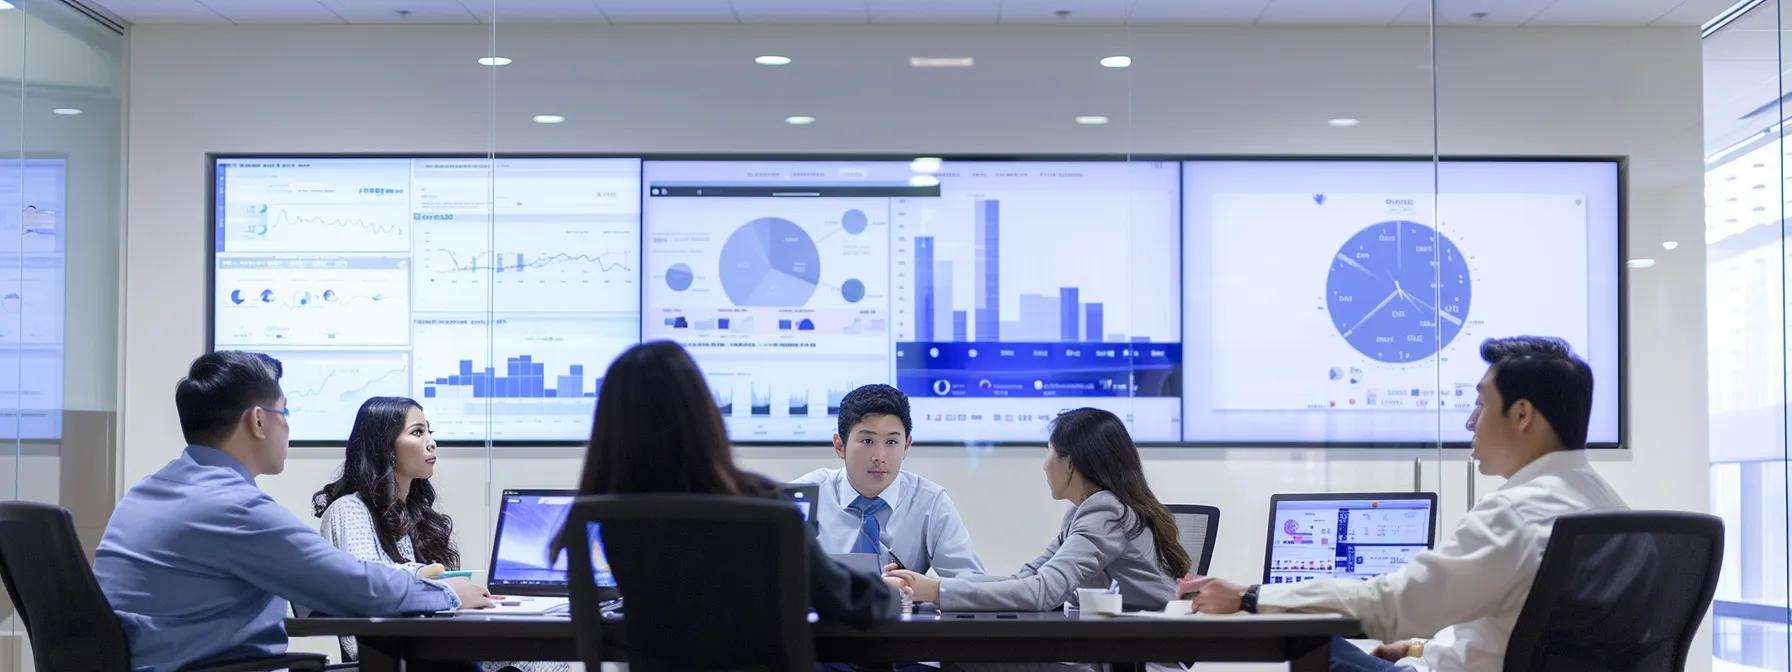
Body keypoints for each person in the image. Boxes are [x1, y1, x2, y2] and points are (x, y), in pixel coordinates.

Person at [1179, 336, 1628, 672]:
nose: (1471, 422)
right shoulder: (1608, 507)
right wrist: (1419, 649)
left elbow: (1389, 605)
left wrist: (1250, 596)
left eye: (1480, 404)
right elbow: (1512, 629)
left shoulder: (1515, 516)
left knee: (1317, 647)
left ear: (1522, 414)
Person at [94, 352, 493, 672]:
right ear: (258, 421)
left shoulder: (149, 493)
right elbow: (357, 587)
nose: (288, 428)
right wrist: (446, 594)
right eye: (285, 413)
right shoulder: (232, 508)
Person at [573, 340, 908, 629]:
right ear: (705, 416)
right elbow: (848, 602)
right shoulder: (764, 506)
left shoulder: (604, 518)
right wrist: (891, 593)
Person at [313, 397, 565, 672]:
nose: (432, 442)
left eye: (430, 432)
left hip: (435, 650)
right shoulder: (348, 509)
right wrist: (441, 587)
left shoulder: (414, 515)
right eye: (417, 432)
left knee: (546, 659)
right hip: (397, 657)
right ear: (386, 447)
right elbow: (371, 586)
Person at [887, 407, 1188, 611]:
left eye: (1049, 453)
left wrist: (937, 591)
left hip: (1141, 656)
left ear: (1070, 464)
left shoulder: (1105, 512)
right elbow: (1026, 578)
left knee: (968, 659)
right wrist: (925, 588)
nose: (1044, 464)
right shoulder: (1084, 511)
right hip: (1115, 649)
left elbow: (1042, 592)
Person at [793, 383, 984, 577]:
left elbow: (972, 586)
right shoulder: (805, 495)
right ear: (840, 445)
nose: (879, 456)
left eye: (891, 442)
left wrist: (924, 588)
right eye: (867, 441)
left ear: (906, 445)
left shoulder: (930, 502)